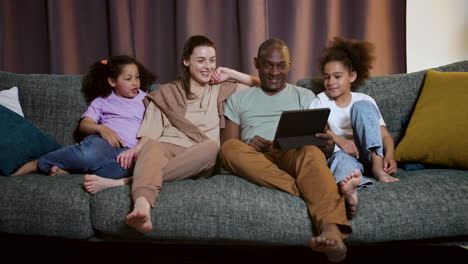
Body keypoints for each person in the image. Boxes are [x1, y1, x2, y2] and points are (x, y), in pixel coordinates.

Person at [219, 38, 357, 263]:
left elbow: (323, 140)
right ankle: (313, 190)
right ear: (256, 63)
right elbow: (228, 147)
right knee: (230, 148)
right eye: (267, 65)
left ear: (290, 64)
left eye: (280, 65)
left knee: (311, 152)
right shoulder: (237, 99)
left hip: (292, 152)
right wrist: (247, 145)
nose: (274, 72)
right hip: (255, 158)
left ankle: (332, 232)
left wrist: (328, 145)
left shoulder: (304, 96)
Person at [125, 35, 260, 233]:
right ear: (186, 61)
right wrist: (137, 150)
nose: (208, 66)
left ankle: (129, 181)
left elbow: (262, 86)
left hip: (201, 154)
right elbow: (149, 136)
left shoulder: (223, 88)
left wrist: (231, 73)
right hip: (167, 149)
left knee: (214, 147)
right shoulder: (167, 92)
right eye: (201, 60)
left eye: (212, 60)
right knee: (152, 147)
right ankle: (142, 206)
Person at [12, 55, 156, 194]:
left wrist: (138, 149)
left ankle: (70, 170)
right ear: (112, 81)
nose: (135, 83)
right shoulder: (102, 100)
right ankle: (40, 163)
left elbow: (153, 126)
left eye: (137, 77)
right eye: (128, 79)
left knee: (114, 172)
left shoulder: (145, 99)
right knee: (88, 155)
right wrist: (101, 129)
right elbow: (84, 124)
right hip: (105, 144)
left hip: (131, 150)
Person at [309, 37, 399, 217]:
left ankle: (377, 169)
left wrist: (389, 155)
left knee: (363, 108)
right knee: (339, 160)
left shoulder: (364, 100)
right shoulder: (320, 100)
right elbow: (315, 130)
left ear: (352, 76)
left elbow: (385, 136)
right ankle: (350, 189)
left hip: (371, 154)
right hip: (344, 155)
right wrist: (340, 140)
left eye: (337, 76)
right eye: (326, 77)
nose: (331, 82)